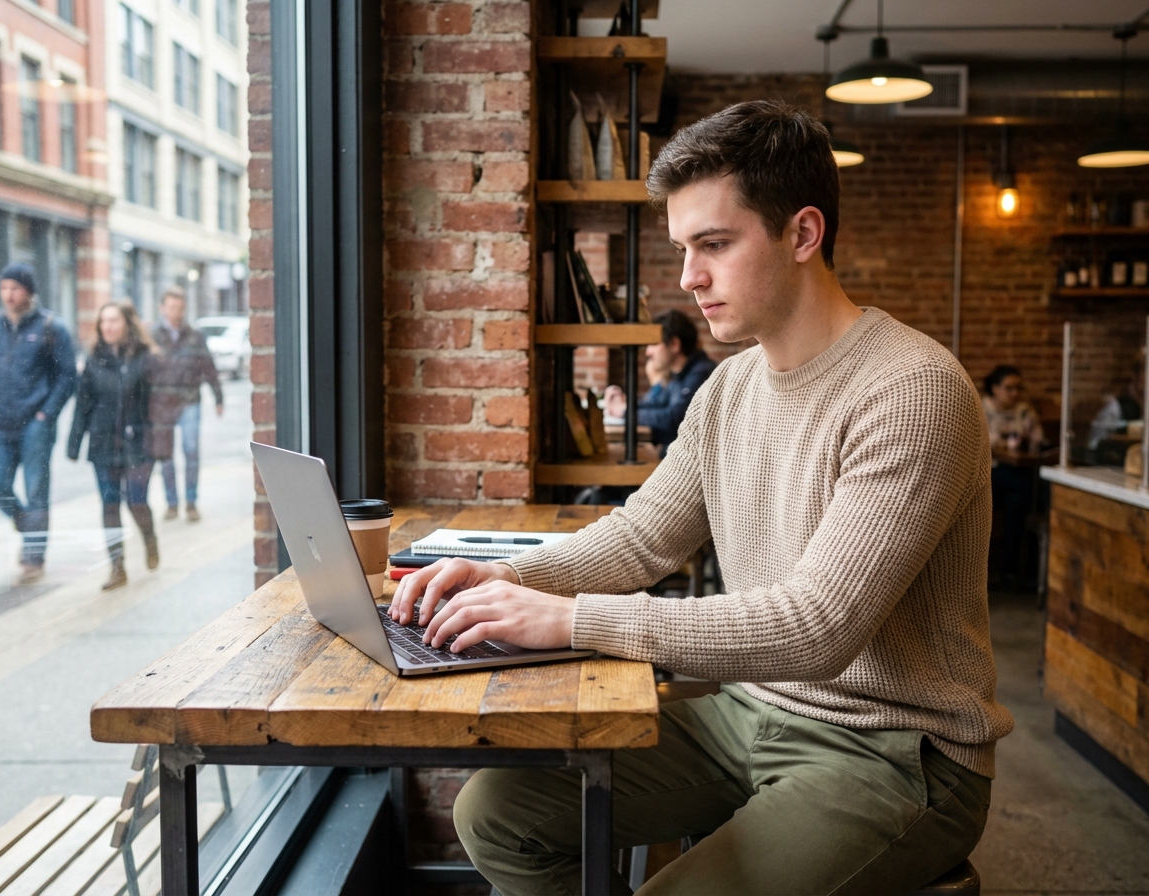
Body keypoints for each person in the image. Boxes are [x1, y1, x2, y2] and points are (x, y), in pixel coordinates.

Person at [391, 100, 1011, 895]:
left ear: (803, 234)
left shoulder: (913, 391)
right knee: (495, 814)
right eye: (685, 248)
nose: (688, 278)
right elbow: (642, 538)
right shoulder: (730, 386)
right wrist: (510, 581)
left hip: (898, 750)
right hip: (751, 712)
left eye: (714, 245)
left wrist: (574, 619)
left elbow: (817, 628)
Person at [0, 262, 77, 584]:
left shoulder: (50, 327)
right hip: (0, 423)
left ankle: (34, 557)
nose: (8, 294)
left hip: (36, 423)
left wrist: (47, 414)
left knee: (36, 491)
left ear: (29, 291)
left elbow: (67, 375)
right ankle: (26, 524)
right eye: (4, 288)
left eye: (15, 288)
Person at [68, 302, 159, 591]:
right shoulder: (94, 359)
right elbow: (83, 403)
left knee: (136, 500)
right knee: (109, 504)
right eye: (103, 322)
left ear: (126, 324)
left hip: (138, 443)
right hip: (103, 442)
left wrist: (158, 438)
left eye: (113, 321)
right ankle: (117, 568)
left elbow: (158, 404)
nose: (107, 326)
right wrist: (74, 442)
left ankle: (149, 538)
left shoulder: (145, 358)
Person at [149, 287, 223, 522]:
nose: (176, 312)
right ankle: (172, 504)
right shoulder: (152, 336)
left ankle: (191, 502)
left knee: (191, 451)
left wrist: (218, 397)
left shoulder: (195, 335)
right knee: (166, 456)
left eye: (180, 308)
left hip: (189, 400)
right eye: (171, 307)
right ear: (163, 308)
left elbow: (209, 366)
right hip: (162, 405)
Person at [604, 309, 716, 457]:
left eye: (653, 344)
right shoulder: (682, 373)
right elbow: (659, 404)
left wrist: (625, 411)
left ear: (675, 344)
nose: (647, 352)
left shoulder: (701, 373)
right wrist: (626, 404)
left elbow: (674, 419)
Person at [981, 365, 1043, 587]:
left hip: (1017, 471)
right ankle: (1009, 570)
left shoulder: (1024, 410)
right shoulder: (982, 409)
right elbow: (985, 445)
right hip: (989, 472)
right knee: (1020, 494)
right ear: (995, 389)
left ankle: (1014, 571)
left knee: (1025, 495)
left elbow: (1037, 440)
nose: (1015, 393)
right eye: (1009, 388)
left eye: (1018, 388)